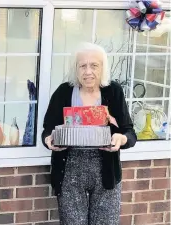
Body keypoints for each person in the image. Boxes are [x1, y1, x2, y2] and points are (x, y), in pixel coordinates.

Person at [42, 42, 137, 225]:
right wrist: (48, 139)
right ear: (75, 69)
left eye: (94, 65)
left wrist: (122, 138)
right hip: (70, 167)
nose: (88, 71)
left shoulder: (113, 91)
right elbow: (48, 128)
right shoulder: (63, 92)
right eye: (82, 66)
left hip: (106, 168)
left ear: (103, 68)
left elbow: (129, 132)